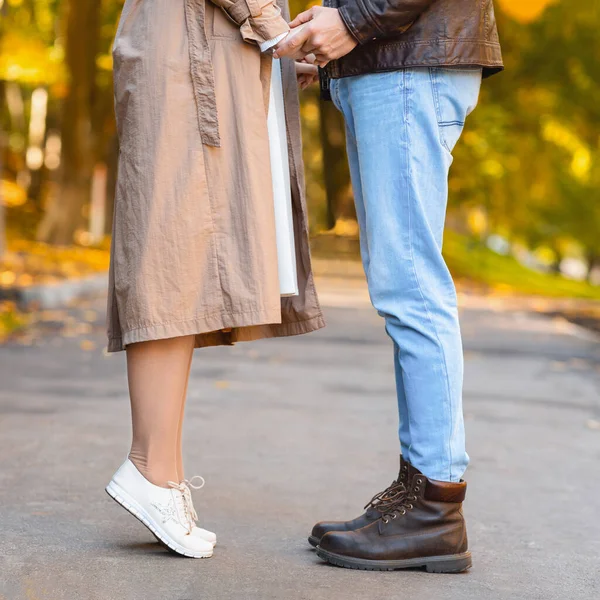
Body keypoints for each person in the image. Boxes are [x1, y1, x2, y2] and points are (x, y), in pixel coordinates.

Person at [275, 0, 503, 572]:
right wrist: (336, 48)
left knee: (411, 287)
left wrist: (352, 22)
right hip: (395, 61)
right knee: (404, 286)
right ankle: (419, 492)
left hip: (408, 63)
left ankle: (436, 506)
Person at [105, 0, 324, 559]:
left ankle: (165, 475)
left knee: (190, 262)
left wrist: (269, 52)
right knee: (170, 256)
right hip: (188, 47)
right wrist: (275, 31)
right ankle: (149, 468)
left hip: (205, 46)